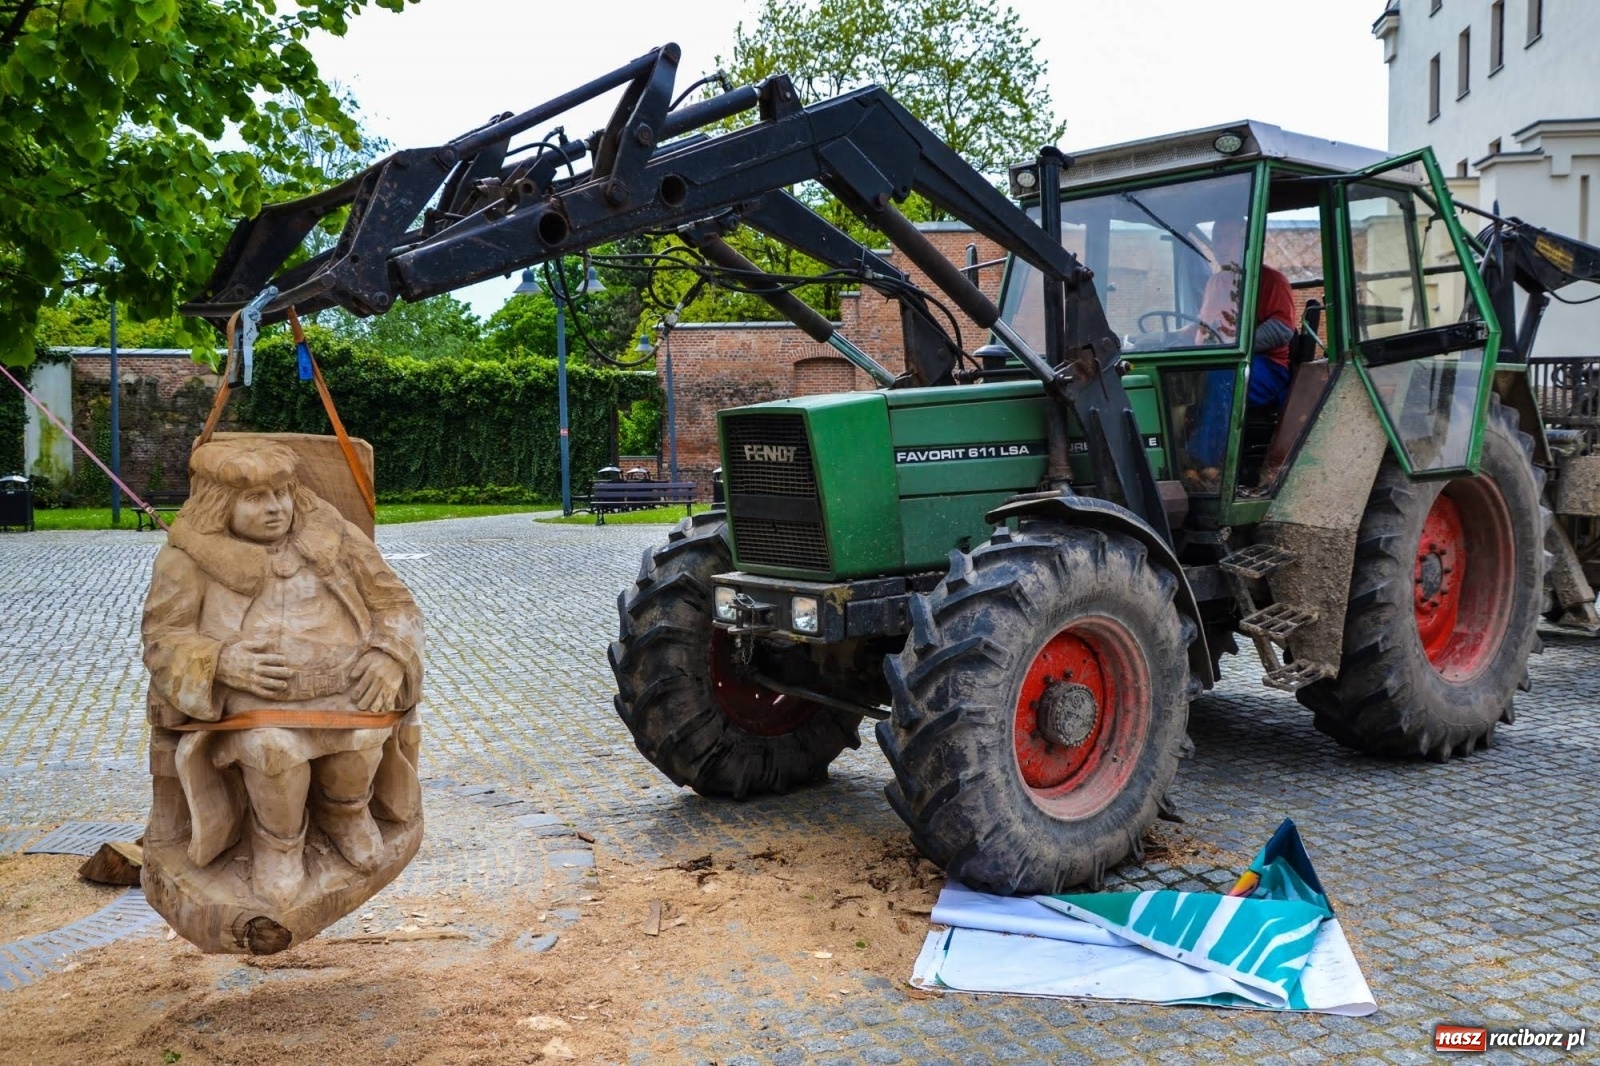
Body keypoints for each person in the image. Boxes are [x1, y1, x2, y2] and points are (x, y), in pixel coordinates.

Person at [143, 439, 424, 910]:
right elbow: (164, 638)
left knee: (357, 748)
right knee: (273, 753)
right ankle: (280, 844)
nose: (275, 509)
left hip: (343, 692)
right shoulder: (187, 560)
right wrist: (220, 662)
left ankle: (346, 815)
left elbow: (395, 603)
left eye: (282, 493)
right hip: (254, 708)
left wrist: (390, 655)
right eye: (255, 499)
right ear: (220, 503)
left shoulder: (334, 537)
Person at [1182, 215, 1299, 490]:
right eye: (1216, 239)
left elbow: (1282, 329)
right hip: (1220, 360)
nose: (1218, 245)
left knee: (1224, 376)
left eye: (1226, 238)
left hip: (1264, 367)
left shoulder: (1271, 280)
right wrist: (1160, 339)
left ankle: (1207, 466)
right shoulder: (1216, 283)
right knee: (1178, 377)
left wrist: (1234, 345)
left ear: (1247, 242)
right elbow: (1203, 326)